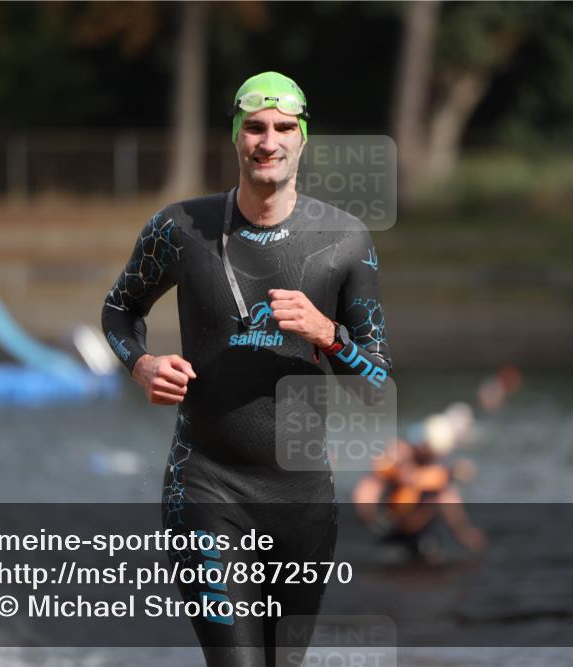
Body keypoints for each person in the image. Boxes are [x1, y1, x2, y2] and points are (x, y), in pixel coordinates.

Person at [102, 71, 392, 666]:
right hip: (206, 485)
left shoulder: (344, 240)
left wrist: (327, 334)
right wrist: (141, 364)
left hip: (303, 499)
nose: (269, 141)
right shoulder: (179, 229)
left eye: (284, 128)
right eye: (255, 127)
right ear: (235, 136)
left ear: (303, 139)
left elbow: (376, 386)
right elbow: (119, 310)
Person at [353, 403, 487, 562]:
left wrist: (464, 531)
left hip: (420, 533)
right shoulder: (398, 456)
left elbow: (448, 499)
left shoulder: (437, 473)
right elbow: (368, 488)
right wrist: (371, 516)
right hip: (390, 525)